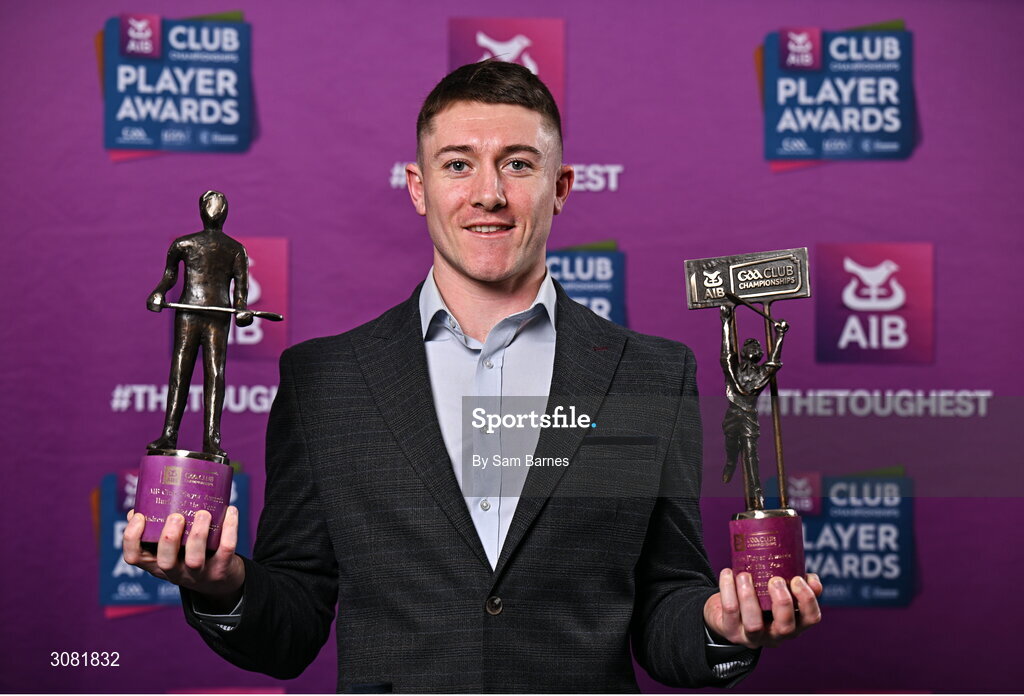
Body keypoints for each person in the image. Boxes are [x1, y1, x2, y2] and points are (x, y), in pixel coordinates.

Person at [124, 61, 821, 692]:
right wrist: (222, 586)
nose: (487, 193)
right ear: (419, 189)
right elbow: (294, 622)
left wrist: (720, 628)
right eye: (458, 165)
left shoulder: (649, 375)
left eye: (518, 164)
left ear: (561, 187)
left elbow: (666, 602)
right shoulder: (325, 380)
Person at [146, 190, 253, 457]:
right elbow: (169, 277)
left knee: (215, 374)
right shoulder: (183, 245)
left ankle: (212, 440)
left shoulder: (235, 250)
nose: (214, 211)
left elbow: (241, 293)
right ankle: (168, 435)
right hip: (188, 314)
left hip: (218, 316)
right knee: (180, 372)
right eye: (210, 205)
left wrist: (241, 311)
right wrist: (158, 292)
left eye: (219, 206)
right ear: (200, 210)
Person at [719, 304, 788, 511]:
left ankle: (757, 495)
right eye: (749, 345)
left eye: (757, 346)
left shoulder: (761, 373)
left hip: (749, 416)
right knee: (732, 447)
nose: (754, 347)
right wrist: (725, 321)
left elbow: (774, 360)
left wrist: (780, 335)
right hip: (733, 415)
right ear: (743, 351)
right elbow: (726, 352)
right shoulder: (734, 368)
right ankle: (730, 464)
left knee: (750, 455)